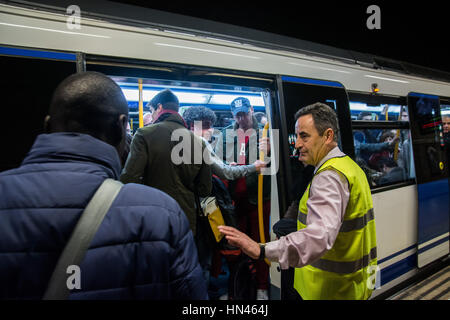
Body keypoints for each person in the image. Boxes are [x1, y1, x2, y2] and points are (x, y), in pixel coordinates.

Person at [0, 72, 207, 299]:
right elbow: (205, 189)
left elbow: (130, 175)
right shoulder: (163, 214)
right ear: (121, 127)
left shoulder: (146, 135)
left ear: (47, 125)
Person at [219, 102, 378, 300]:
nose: (297, 144)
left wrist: (260, 249)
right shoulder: (349, 167)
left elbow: (317, 237)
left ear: (328, 136)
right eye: (297, 137)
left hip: (328, 290)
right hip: (353, 284)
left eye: (304, 136)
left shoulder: (328, 177)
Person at [120, 89, 212, 235]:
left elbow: (129, 179)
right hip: (186, 217)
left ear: (160, 107)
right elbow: (205, 188)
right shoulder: (199, 143)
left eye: (152, 110)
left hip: (153, 215)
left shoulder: (144, 134)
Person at [214, 97, 271, 300]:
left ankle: (262, 287)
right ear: (232, 115)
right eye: (237, 115)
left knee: (260, 242)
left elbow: (276, 165)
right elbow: (217, 160)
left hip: (259, 197)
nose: (241, 118)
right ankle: (237, 288)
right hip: (235, 200)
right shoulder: (226, 134)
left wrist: (271, 153)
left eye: (244, 114)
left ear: (251, 110)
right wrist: (225, 164)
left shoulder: (266, 132)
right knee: (236, 246)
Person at [183, 106, 266, 180]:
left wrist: (226, 164)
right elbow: (225, 172)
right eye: (205, 126)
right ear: (192, 127)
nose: (210, 130)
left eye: (211, 126)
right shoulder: (197, 144)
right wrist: (254, 167)